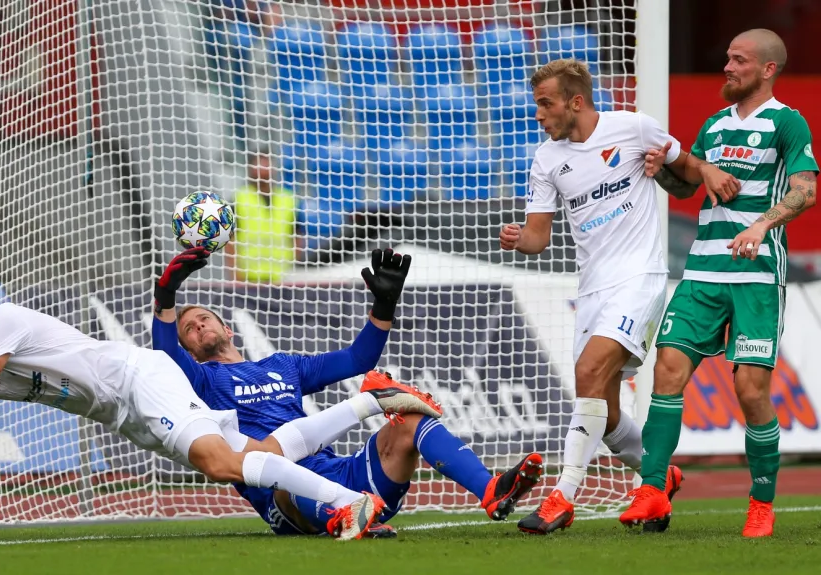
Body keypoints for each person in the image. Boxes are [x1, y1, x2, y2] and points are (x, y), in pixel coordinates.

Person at [0, 276, 444, 540]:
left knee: (220, 464)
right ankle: (368, 402)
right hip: (129, 415)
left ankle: (346, 502)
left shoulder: (1, 322)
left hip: (139, 379)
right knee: (255, 453)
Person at [151, 246, 545, 537]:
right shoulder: (201, 381)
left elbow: (358, 358)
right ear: (189, 350)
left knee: (409, 419)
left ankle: (490, 491)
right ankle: (344, 517)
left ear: (227, 329)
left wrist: (384, 306)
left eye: (204, 319)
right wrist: (166, 296)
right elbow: (165, 353)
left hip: (343, 473)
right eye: (189, 330)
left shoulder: (284, 366)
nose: (198, 327)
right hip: (285, 498)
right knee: (285, 481)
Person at [620, 29, 817, 538]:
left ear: (767, 70)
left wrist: (761, 225)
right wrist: (662, 170)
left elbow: (806, 190)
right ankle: (651, 489)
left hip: (757, 276)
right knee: (667, 369)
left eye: (739, 60)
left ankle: (761, 502)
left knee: (750, 391)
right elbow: (687, 186)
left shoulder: (787, 122)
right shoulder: (715, 124)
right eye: (727, 57)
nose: (727, 67)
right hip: (701, 272)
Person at [499, 58, 701, 534]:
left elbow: (689, 173)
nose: (538, 114)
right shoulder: (547, 159)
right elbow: (538, 237)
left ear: (576, 101)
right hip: (591, 288)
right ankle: (658, 475)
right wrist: (518, 238)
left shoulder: (633, 128)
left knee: (589, 372)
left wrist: (678, 170)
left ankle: (562, 496)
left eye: (545, 104)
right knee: (605, 412)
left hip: (640, 277)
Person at [225, 152, 302, 283]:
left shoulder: (289, 199)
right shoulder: (239, 199)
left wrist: (293, 266)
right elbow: (230, 241)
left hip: (281, 277)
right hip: (249, 277)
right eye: (259, 164)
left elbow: (297, 236)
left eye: (266, 164)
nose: (263, 169)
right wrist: (235, 275)